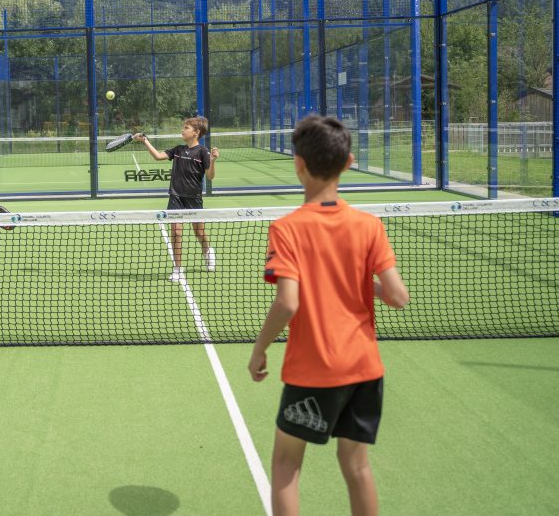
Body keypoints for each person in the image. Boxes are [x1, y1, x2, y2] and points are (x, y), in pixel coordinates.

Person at [248, 115, 410, 516]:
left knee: (286, 465)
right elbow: (397, 296)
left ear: (298, 164)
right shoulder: (369, 226)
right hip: (364, 369)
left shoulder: (286, 229)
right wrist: (360, 284)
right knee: (357, 467)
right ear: (349, 162)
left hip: (313, 370)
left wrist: (259, 349)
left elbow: (288, 302)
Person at [134, 116, 220, 282]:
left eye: (186, 128)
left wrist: (213, 161)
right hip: (176, 196)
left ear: (196, 132)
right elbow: (158, 156)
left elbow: (210, 177)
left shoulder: (203, 152)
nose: (182, 130)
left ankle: (208, 251)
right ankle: (178, 269)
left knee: (199, 232)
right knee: (176, 232)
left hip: (194, 198)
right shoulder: (178, 150)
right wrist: (145, 141)